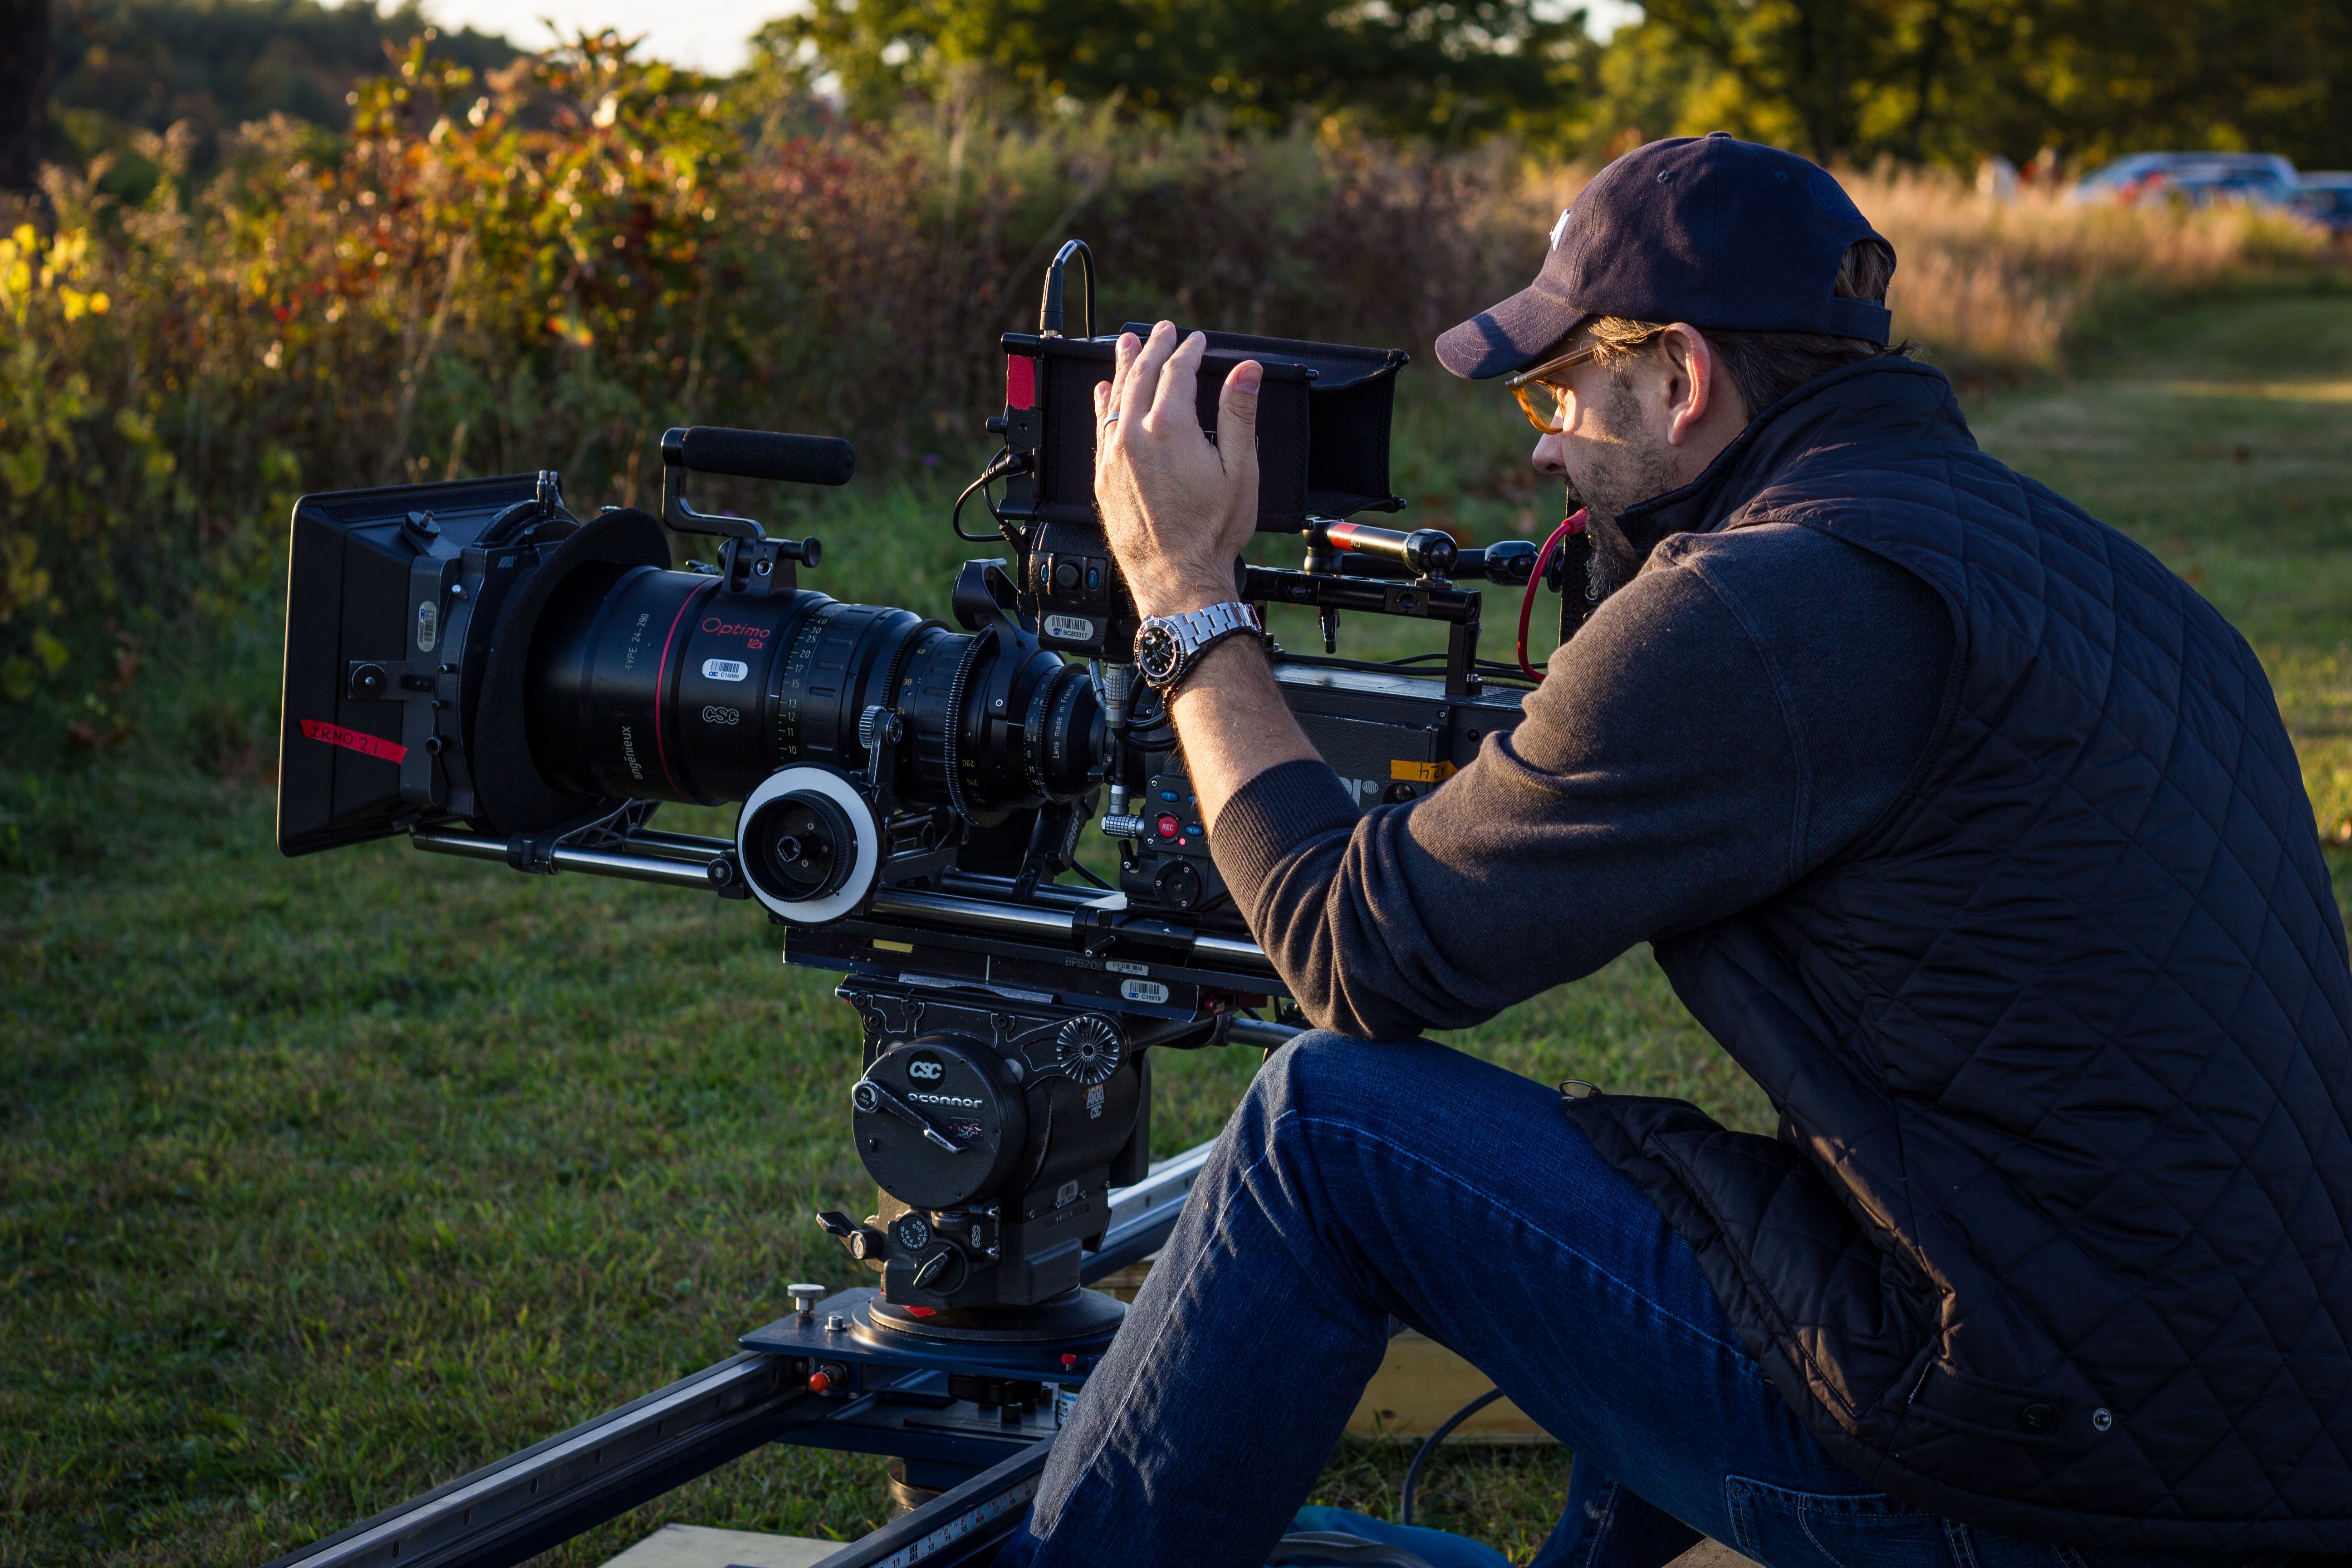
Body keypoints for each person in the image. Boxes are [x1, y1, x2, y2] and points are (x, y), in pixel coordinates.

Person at [995, 134, 2352, 1568]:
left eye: (1559, 387)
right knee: (1694, 1195)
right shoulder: (2099, 579)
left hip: (2033, 1482)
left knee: (1324, 1132)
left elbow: (1355, 950)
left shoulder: (1773, 599)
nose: (1542, 442)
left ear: (1684, 380)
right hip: (2235, 1435)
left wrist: (1190, 596)